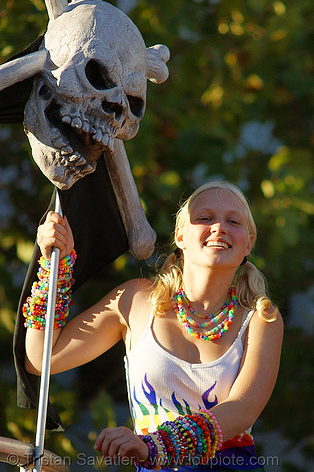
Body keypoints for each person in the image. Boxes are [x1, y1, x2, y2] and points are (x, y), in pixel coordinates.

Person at [24, 180, 283, 471]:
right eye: (205, 218)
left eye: (233, 221)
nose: (219, 227)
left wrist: (154, 445)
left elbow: (242, 410)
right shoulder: (135, 300)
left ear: (248, 243)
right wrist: (54, 268)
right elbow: (41, 359)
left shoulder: (261, 317)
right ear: (180, 235)